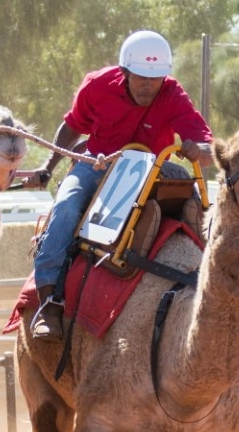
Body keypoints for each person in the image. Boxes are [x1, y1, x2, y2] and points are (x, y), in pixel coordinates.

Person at [12, 30, 215, 343]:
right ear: (124, 73)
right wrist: (47, 168)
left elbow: (204, 140)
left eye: (156, 78)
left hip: (153, 166)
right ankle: (50, 302)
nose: (149, 85)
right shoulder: (97, 85)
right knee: (66, 209)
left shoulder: (173, 94)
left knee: (199, 207)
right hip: (99, 162)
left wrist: (201, 150)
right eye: (141, 78)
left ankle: (216, 289)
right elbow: (71, 127)